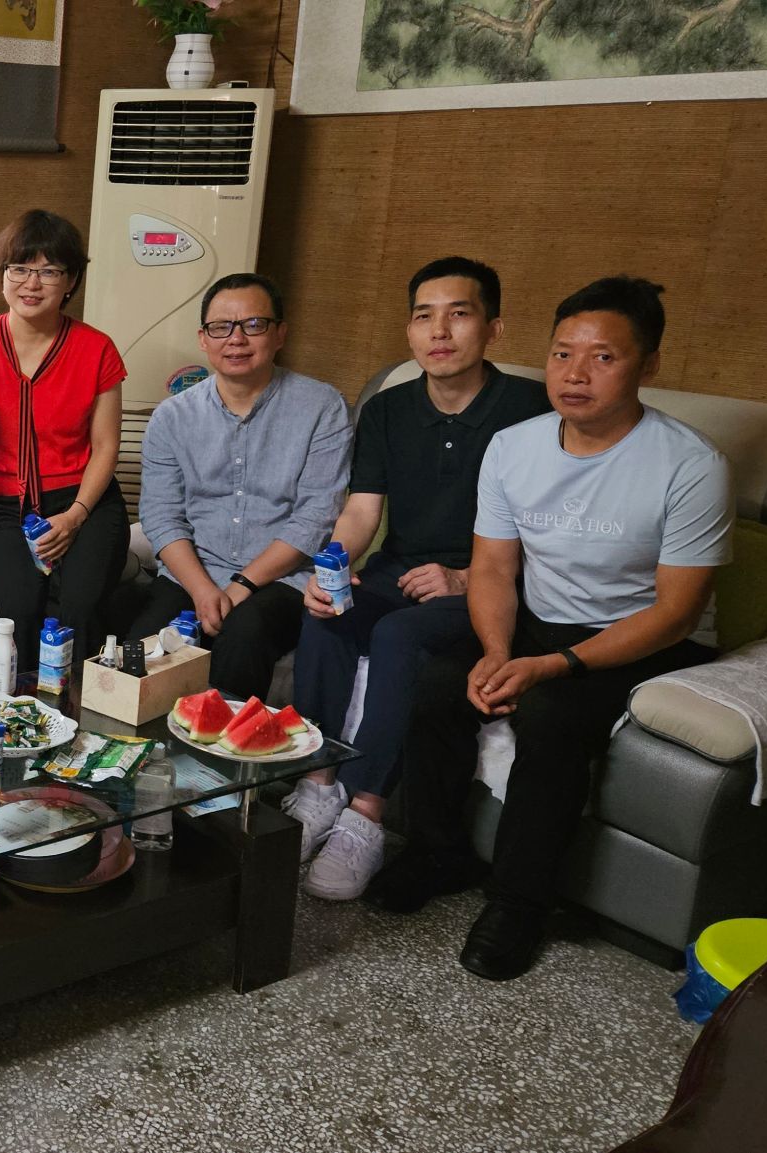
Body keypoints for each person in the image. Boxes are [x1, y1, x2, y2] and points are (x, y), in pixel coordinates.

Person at [369, 277, 731, 982]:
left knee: (550, 713)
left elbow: (676, 613)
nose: (575, 373)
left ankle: (519, 902)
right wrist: (497, 652)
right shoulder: (515, 446)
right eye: (563, 353)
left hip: (646, 638)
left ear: (649, 365)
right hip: (539, 620)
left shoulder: (691, 466)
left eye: (603, 357)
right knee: (440, 680)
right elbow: (493, 568)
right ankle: (438, 852)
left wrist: (551, 666)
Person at [282, 257, 549, 901]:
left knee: (400, 635)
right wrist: (332, 567)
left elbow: (550, 529)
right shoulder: (387, 410)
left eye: (459, 314)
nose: (440, 331)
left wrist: (465, 578)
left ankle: (366, 815)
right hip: (400, 571)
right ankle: (318, 784)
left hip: (492, 581)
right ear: (409, 329)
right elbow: (362, 512)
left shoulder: (532, 411)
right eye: (424, 316)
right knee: (326, 613)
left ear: (494, 328)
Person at [128, 272, 351, 699]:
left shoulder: (323, 407)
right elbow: (161, 515)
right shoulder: (172, 417)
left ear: (280, 333)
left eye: (254, 324)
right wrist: (202, 590)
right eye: (221, 327)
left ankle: (226, 744)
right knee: (140, 651)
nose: (236, 339)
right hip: (192, 574)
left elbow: (316, 516)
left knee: (245, 635)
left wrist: (241, 586)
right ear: (203, 338)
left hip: (281, 581)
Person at [0, 210, 129, 673]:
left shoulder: (97, 349)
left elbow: (106, 446)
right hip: (2, 504)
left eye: (49, 271)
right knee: (19, 611)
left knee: (81, 606)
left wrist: (75, 516)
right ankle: (24, 710)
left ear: (71, 281)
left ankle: (83, 709)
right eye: (20, 268)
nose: (31, 283)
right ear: (2, 275)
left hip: (85, 499)